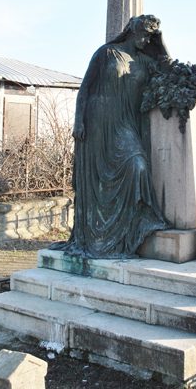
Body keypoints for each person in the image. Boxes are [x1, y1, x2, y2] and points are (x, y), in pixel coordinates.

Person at [56, 15, 170, 258]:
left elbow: (169, 70)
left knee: (137, 164)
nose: (146, 39)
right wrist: (79, 121)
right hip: (97, 121)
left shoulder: (146, 61)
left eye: (150, 36)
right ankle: (96, 236)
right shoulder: (107, 53)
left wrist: (160, 43)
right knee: (97, 179)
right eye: (145, 34)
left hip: (125, 123)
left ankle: (122, 232)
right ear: (132, 31)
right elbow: (85, 87)